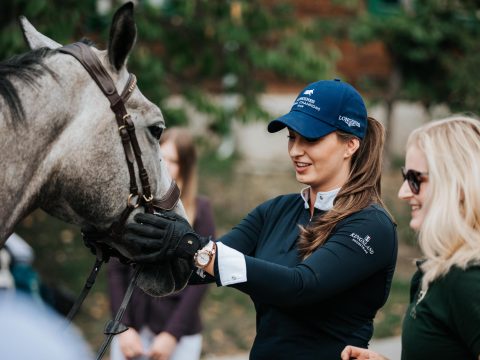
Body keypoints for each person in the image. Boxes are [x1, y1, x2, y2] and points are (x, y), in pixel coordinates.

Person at [119, 79, 398, 359]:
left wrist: (194, 246)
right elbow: (198, 269)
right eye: (292, 137)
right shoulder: (276, 211)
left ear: (350, 145)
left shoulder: (371, 225)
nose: (295, 150)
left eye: (310, 139)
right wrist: (124, 239)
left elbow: (300, 287)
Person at [341, 116, 480, 360]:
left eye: (416, 180)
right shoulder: (439, 271)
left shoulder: (467, 278)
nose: (403, 192)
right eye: (406, 178)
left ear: (457, 185)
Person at [107, 127, 216, 360]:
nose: (163, 165)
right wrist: (122, 326)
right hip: (132, 329)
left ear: (185, 167)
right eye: (160, 157)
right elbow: (116, 270)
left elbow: (202, 279)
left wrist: (171, 335)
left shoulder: (200, 211)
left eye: (172, 160)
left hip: (177, 336)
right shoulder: (135, 207)